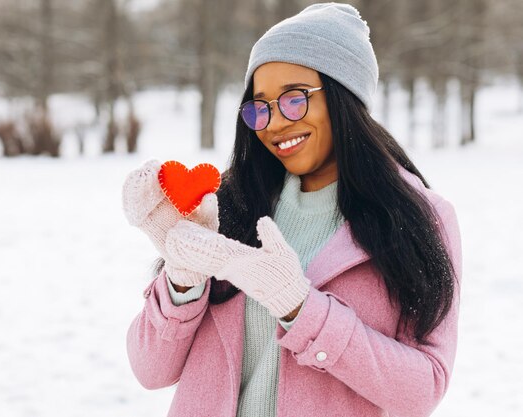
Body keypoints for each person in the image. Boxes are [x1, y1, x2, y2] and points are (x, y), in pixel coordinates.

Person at [122, 3, 462, 417]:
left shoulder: (419, 218)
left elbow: (423, 388)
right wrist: (182, 280)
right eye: (259, 107)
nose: (274, 123)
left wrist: (299, 306)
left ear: (344, 98)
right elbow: (150, 371)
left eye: (294, 99)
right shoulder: (229, 205)